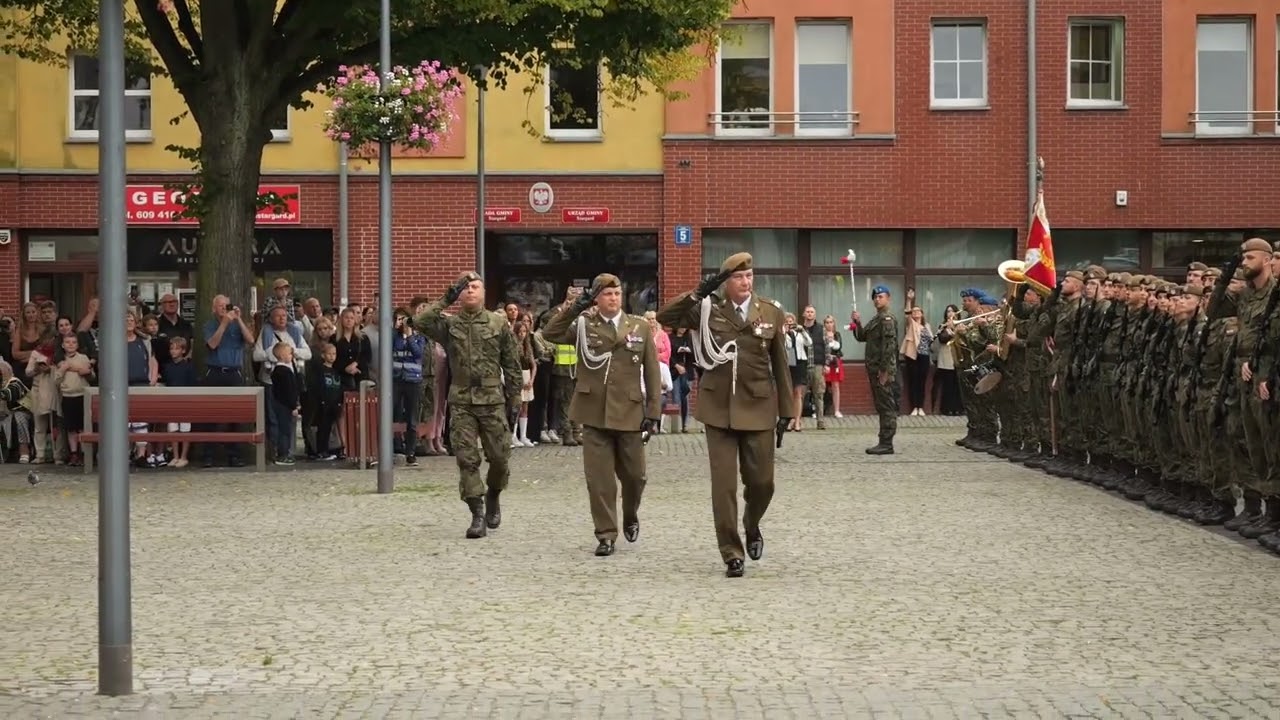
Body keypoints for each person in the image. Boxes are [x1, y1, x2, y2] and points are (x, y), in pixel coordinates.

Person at [656, 252, 793, 578]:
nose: (745, 282)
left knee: (763, 483)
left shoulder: (770, 312)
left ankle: (752, 523)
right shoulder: (707, 309)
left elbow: (781, 365)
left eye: (749, 276)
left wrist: (787, 411)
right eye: (737, 278)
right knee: (723, 486)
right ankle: (732, 552)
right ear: (725, 282)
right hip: (718, 409)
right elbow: (665, 315)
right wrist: (699, 292)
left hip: (758, 406)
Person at [542, 273, 662, 557]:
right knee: (599, 480)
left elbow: (653, 371)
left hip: (630, 412)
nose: (613, 298)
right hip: (594, 412)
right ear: (596, 298)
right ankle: (606, 533)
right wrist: (574, 307)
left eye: (617, 293)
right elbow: (549, 333)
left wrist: (653, 411)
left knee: (636, 476)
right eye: (607, 294)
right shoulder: (584, 325)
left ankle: (630, 513)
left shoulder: (640, 327)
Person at [414, 272, 523, 539]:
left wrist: (515, 396)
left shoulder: (498, 324)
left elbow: (511, 363)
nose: (470, 291)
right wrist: (447, 296)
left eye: (474, 287)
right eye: (465, 288)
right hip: (461, 399)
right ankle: (477, 512)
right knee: (466, 459)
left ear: (484, 293)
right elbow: (420, 321)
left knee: (499, 457)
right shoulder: (450, 325)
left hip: (491, 399)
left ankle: (494, 493)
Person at [850, 285, 899, 454]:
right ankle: (884, 441)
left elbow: (889, 347)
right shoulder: (876, 319)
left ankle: (886, 442)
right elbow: (862, 337)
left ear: (888, 298)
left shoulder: (887, 320)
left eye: (881, 297)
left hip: (882, 370)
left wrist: (884, 370)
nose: (877, 300)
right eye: (875, 297)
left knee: (886, 406)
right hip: (874, 368)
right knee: (881, 405)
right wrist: (857, 323)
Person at [161, 336, 197, 467]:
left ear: (183, 350)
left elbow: (192, 385)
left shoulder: (188, 367)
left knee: (185, 429)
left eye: (176, 349)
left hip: (185, 401)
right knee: (173, 429)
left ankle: (184, 456)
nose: (173, 351)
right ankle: (175, 456)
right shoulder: (167, 367)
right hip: (171, 401)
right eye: (171, 348)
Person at [268, 342, 302, 466]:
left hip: (280, 404)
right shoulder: (284, 372)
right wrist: (294, 405)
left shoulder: (278, 371)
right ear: (282, 355)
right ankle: (283, 454)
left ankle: (283, 453)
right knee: (285, 430)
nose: (292, 356)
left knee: (284, 429)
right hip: (284, 405)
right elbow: (289, 391)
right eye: (289, 353)